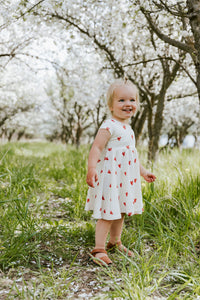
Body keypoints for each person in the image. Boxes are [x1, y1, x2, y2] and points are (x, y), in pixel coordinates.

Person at [85, 78, 156, 266]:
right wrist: (92, 168)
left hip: (124, 179)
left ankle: (115, 242)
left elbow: (130, 157)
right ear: (111, 105)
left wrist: (142, 171)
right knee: (107, 213)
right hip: (110, 178)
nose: (128, 104)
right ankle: (98, 249)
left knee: (120, 211)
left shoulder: (129, 129)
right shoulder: (109, 126)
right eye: (122, 100)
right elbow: (96, 149)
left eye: (132, 100)